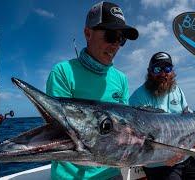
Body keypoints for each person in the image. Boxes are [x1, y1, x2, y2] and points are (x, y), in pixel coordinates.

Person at [46, 1, 138, 179]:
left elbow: (125, 129)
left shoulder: (121, 79)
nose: (116, 45)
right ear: (88, 33)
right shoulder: (63, 72)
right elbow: (60, 134)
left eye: (121, 39)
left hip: (112, 173)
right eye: (111, 36)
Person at [129, 52, 195, 180]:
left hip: (185, 157)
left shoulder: (176, 90)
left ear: (172, 71)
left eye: (167, 69)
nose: (163, 74)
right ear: (149, 71)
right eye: (158, 69)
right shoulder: (137, 98)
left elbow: (188, 118)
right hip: (158, 164)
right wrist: (167, 156)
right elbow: (136, 141)